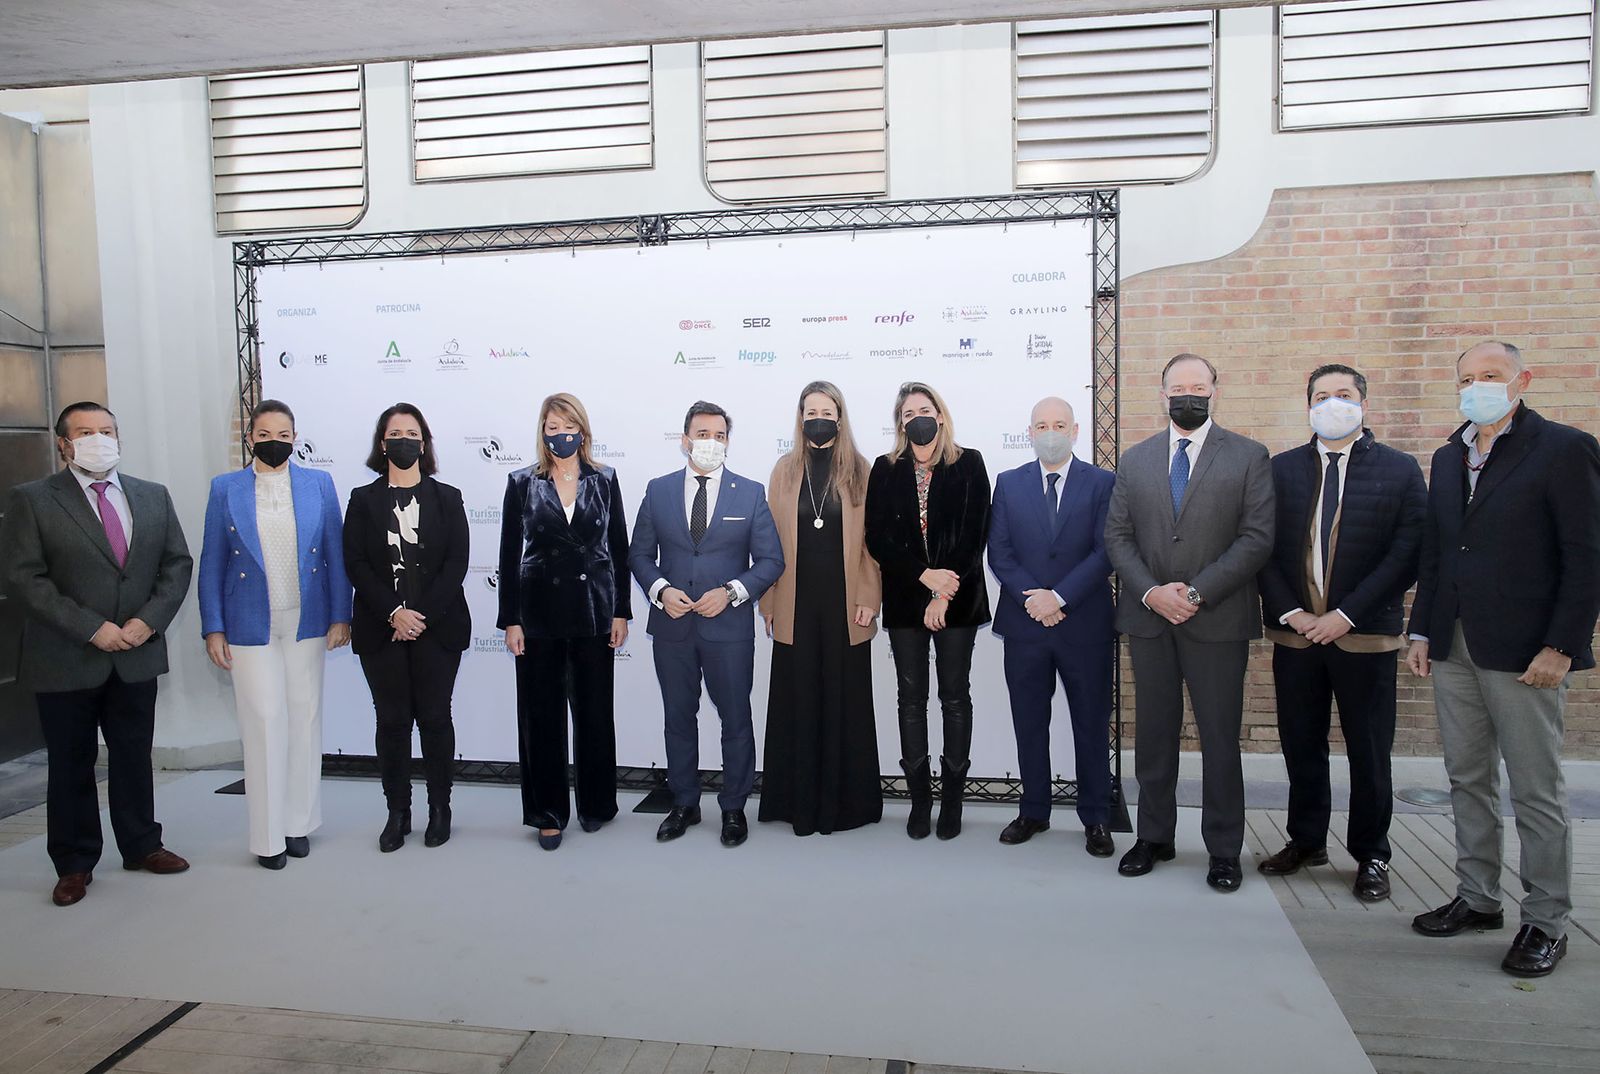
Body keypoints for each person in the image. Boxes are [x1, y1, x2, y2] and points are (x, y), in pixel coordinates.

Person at [1406, 340, 1600, 978]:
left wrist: (1563, 645)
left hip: (1526, 652)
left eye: (1491, 375)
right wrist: (1421, 632)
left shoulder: (1563, 449)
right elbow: (1438, 553)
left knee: (1536, 789)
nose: (1477, 386)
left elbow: (1585, 556)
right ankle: (1478, 896)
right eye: (1467, 377)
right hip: (1454, 644)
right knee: (1467, 777)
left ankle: (1546, 920)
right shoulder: (1447, 454)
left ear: (1523, 380)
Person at [1, 402, 194, 906]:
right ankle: (73, 862)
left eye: (106, 430)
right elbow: (24, 578)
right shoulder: (34, 500)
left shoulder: (152, 497)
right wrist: (92, 629)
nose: (97, 439)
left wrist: (146, 621)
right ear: (64, 444)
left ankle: (141, 845)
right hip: (67, 656)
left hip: (136, 652)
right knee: (72, 763)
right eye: (85, 432)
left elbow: (176, 564)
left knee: (134, 755)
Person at [1104, 353, 1274, 893]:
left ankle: (1224, 850)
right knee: (1153, 735)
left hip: (1217, 620)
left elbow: (1257, 538)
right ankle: (1154, 836)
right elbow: (1118, 537)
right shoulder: (1135, 460)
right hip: (1151, 620)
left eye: (1198, 386)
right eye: (1178, 387)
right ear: (1162, 395)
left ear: (1215, 392)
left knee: (1220, 739)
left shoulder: (1249, 456)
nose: (1188, 396)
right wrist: (1154, 592)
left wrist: (1196, 592)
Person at [1257, 365, 1426, 902]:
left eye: (1344, 395)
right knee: (1300, 744)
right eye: (1322, 396)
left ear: (1364, 404)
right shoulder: (1280, 470)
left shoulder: (1399, 470)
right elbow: (1261, 547)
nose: (1334, 403)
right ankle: (1306, 840)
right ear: (1307, 405)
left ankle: (1372, 853)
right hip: (1297, 637)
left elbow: (1407, 553)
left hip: (1364, 637)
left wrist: (1346, 614)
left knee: (1369, 751)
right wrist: (1292, 612)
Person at [199, 399, 352, 869]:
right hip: (249, 623)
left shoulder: (318, 484)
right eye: (265, 434)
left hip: (306, 620)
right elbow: (212, 561)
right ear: (250, 438)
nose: (275, 442)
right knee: (264, 721)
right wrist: (213, 627)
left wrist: (341, 614)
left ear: (295, 437)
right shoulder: (225, 488)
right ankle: (268, 838)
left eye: (283, 434)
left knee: (304, 719)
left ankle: (298, 823)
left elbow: (334, 552)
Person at [628, 401, 784, 846]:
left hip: (729, 629)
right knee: (678, 717)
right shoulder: (658, 491)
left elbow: (771, 560)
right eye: (702, 434)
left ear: (728, 442)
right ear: (684, 439)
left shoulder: (749, 493)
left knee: (735, 719)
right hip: (673, 626)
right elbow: (639, 554)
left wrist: (732, 591)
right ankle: (684, 803)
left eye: (719, 436)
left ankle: (733, 807)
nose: (710, 443)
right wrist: (660, 590)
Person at [498, 392, 631, 850]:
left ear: (583, 430)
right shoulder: (521, 483)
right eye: (552, 427)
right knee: (542, 718)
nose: (561, 434)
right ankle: (548, 812)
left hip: (595, 612)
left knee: (595, 715)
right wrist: (511, 620)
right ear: (542, 432)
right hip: (538, 617)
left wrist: (621, 610)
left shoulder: (606, 480)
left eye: (568, 425)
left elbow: (619, 550)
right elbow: (509, 555)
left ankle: (597, 804)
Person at [987, 397, 1116, 857]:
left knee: (1090, 723)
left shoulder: (1103, 482)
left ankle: (1097, 817)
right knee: (1029, 722)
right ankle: (1033, 810)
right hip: (1025, 627)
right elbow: (999, 553)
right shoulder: (1008, 483)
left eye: (1059, 424)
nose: (1050, 431)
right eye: (1041, 424)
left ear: (1076, 431)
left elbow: (1106, 552)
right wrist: (1035, 600)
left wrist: (1058, 598)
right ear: (1029, 433)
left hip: (1084, 624)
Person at [864, 381, 990, 840]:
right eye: (908, 411)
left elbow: (976, 532)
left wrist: (944, 591)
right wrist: (924, 578)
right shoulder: (885, 468)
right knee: (911, 700)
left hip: (957, 600)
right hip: (905, 600)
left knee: (955, 696)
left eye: (925, 408)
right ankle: (921, 799)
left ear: (940, 414)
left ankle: (952, 798)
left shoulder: (969, 462)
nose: (917, 416)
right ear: (900, 422)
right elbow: (878, 538)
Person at [343, 403, 470, 852]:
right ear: (383, 444)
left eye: (411, 432)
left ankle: (440, 809)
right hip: (382, 630)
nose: (403, 439)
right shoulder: (362, 500)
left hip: (439, 629)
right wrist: (393, 613)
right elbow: (355, 563)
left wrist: (420, 617)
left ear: (423, 442)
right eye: (395, 432)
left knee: (435, 719)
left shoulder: (448, 497)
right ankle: (398, 812)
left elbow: (457, 563)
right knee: (392, 722)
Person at [759, 380, 883, 836]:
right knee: (798, 699)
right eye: (811, 410)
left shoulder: (862, 470)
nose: (818, 417)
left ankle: (843, 807)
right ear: (800, 417)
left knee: (843, 700)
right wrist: (769, 601)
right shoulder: (784, 470)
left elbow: (874, 543)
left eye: (826, 410)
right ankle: (798, 806)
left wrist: (870, 598)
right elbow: (768, 544)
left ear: (840, 416)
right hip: (794, 602)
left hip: (846, 606)